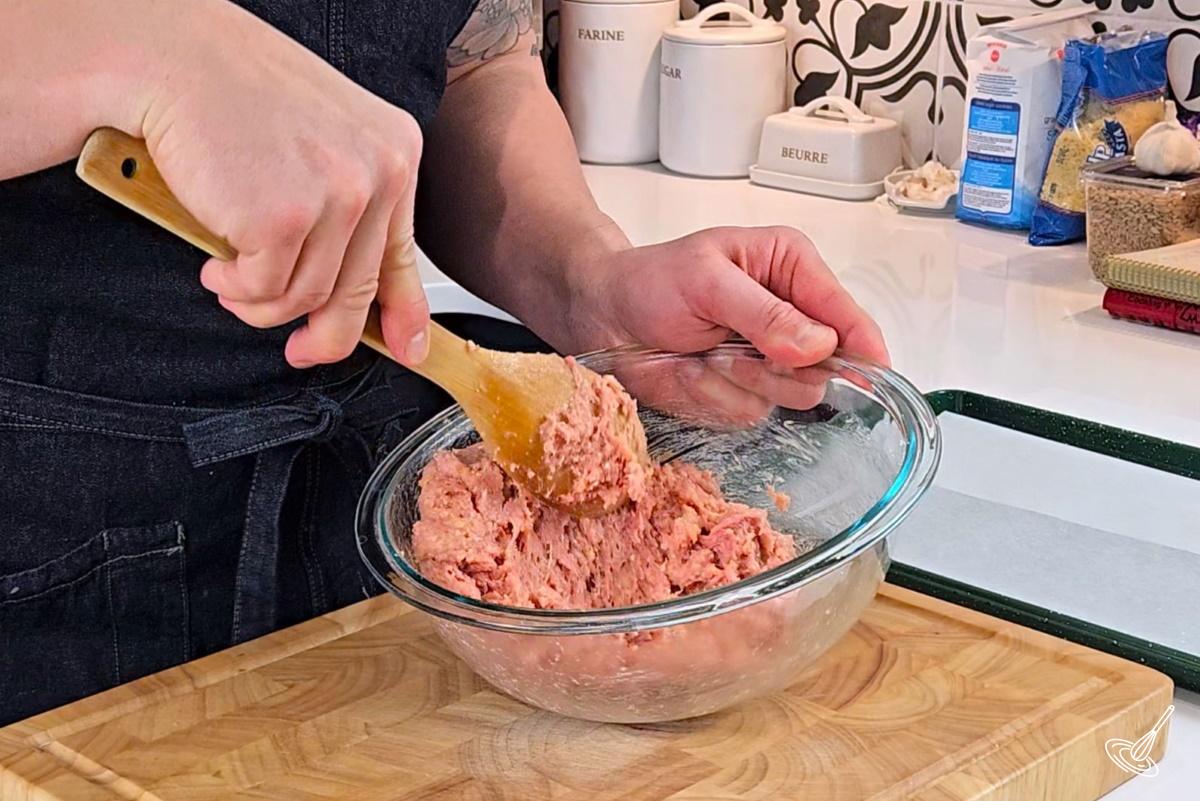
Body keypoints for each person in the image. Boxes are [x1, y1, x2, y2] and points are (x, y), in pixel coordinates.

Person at [0, 0, 888, 725]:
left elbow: (469, 58)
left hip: (369, 522)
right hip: (61, 532)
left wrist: (586, 280)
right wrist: (147, 44)